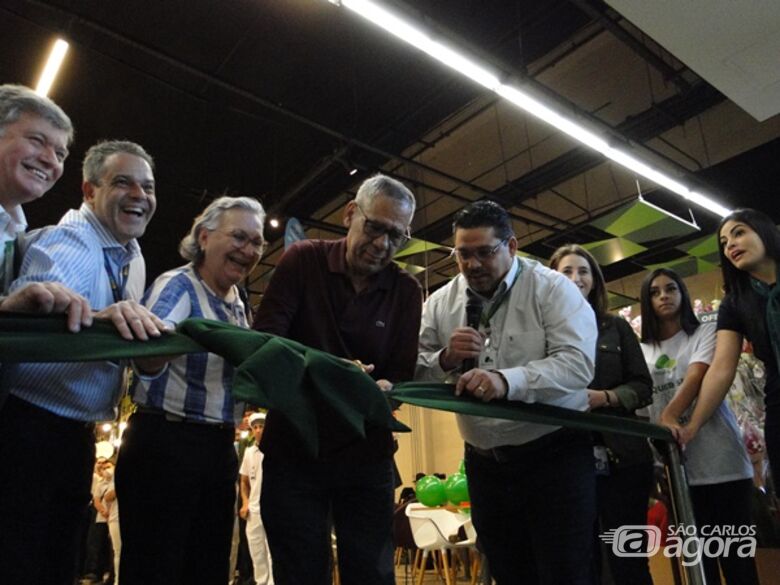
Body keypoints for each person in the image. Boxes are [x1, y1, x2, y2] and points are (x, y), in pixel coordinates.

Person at [0, 139, 164, 585]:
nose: (140, 195)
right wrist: (97, 320)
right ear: (89, 191)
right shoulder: (70, 240)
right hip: (28, 431)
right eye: (123, 183)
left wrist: (146, 356)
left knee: (57, 563)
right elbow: (36, 308)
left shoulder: (132, 259)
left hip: (73, 437)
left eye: (148, 187)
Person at [416, 201, 598, 584]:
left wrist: (506, 380)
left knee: (566, 573)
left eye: (485, 252)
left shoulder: (553, 289)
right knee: (508, 573)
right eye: (463, 254)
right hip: (484, 466)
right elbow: (412, 366)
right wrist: (446, 358)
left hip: (555, 458)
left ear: (512, 247)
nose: (473, 264)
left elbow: (577, 364)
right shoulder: (439, 303)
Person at [253, 174, 421, 585]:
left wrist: (382, 391)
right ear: (350, 214)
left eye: (396, 236)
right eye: (375, 228)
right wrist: (335, 374)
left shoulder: (406, 291)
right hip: (294, 453)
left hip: (366, 456)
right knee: (301, 571)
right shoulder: (302, 261)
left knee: (373, 572)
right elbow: (266, 343)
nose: (382, 244)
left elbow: (400, 375)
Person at [116, 196, 266, 585]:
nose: (248, 250)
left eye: (256, 241)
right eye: (238, 236)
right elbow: (145, 361)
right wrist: (155, 344)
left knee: (209, 567)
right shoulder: (179, 285)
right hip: (167, 444)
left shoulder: (237, 302)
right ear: (203, 237)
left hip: (217, 447)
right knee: (157, 568)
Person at [639, 268, 757, 584]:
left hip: (725, 465)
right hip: (679, 474)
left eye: (671, 288)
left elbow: (697, 375)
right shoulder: (642, 350)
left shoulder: (705, 332)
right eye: (655, 291)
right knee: (699, 567)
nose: (663, 295)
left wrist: (671, 418)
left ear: (683, 294)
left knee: (738, 564)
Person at [549, 244, 654, 585]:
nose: (576, 278)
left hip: (624, 459)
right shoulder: (542, 330)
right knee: (580, 560)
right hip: (564, 459)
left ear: (595, 280)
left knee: (629, 559)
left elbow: (642, 385)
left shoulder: (616, 327)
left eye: (583, 271)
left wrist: (606, 397)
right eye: (566, 271)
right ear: (551, 277)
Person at [682, 208, 780, 488]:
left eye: (739, 233)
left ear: (764, 231)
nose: (730, 245)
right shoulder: (735, 303)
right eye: (724, 242)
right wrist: (693, 425)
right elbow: (722, 369)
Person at [0, 84, 91, 330]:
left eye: (60, 154)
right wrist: (6, 308)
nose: (50, 160)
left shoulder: (16, 234)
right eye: (37, 141)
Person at [240, 412, 274, 585]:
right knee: (257, 553)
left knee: (272, 553)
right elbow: (244, 481)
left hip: (271, 508)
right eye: (256, 427)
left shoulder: (275, 450)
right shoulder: (248, 452)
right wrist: (245, 502)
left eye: (262, 426)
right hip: (253, 511)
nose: (259, 430)